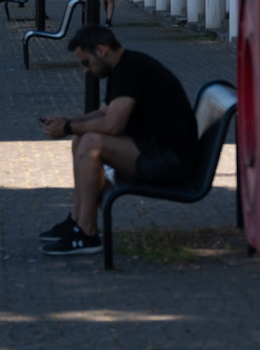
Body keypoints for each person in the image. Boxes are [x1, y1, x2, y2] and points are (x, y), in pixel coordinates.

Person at [36, 25, 199, 255]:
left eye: (86, 62)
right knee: (82, 136)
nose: (86, 70)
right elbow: (102, 113)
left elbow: (113, 125)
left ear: (101, 50)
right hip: (158, 152)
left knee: (92, 143)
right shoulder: (123, 67)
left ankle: (87, 233)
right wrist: (68, 121)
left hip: (172, 160)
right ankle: (76, 220)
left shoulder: (130, 70)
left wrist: (68, 127)